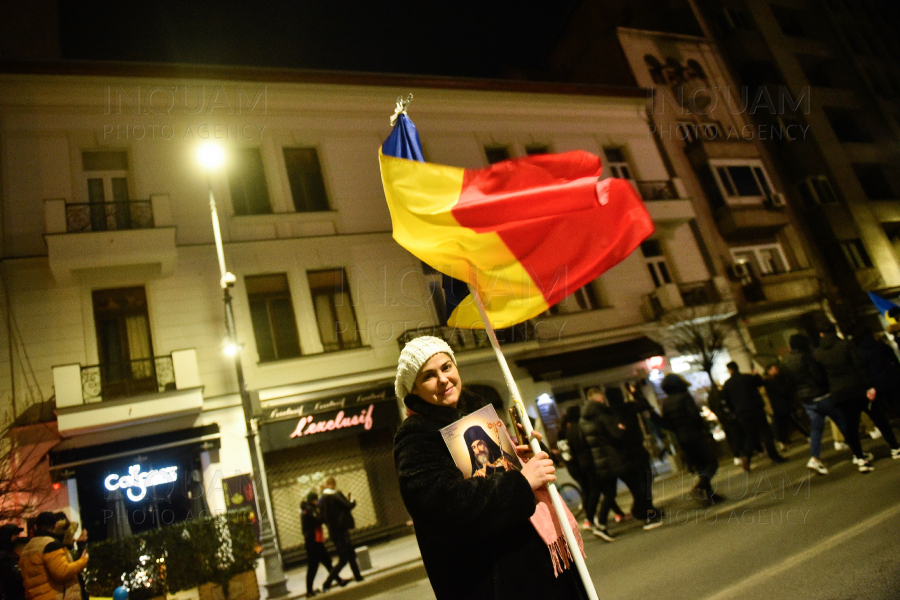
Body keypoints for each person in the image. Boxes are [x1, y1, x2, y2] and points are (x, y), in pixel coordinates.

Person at [393, 336, 584, 600]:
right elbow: (444, 507)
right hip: (493, 581)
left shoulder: (476, 414)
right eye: (428, 376)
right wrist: (522, 483)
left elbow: (496, 472)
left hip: (533, 566)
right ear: (414, 390)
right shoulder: (415, 437)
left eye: (447, 367)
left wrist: (523, 457)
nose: (443, 379)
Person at [580, 387, 663, 540]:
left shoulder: (584, 419)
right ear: (598, 398)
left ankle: (601, 524)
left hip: (601, 462)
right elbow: (616, 435)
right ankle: (648, 517)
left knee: (610, 493)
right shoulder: (603, 415)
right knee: (636, 486)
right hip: (616, 459)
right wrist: (621, 429)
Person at [815, 323, 900, 469]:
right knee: (879, 418)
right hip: (858, 388)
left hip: (840, 393)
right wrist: (870, 386)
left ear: (821, 335)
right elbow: (860, 366)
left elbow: (819, 376)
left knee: (850, 426)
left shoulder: (818, 353)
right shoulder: (846, 345)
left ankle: (860, 458)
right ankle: (895, 448)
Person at [781, 333, 856, 475]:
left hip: (806, 400)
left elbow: (789, 383)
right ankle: (857, 452)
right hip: (821, 395)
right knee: (842, 421)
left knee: (816, 429)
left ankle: (815, 459)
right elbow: (818, 376)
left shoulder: (786, 362)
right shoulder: (807, 357)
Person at [659, 374, 722, 504]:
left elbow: (667, 423)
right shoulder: (684, 397)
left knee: (700, 466)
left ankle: (710, 495)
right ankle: (699, 487)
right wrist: (702, 428)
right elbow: (694, 416)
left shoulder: (665, 403)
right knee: (712, 463)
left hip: (682, 438)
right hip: (694, 434)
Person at [720, 361, 786, 470]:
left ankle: (747, 456)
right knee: (766, 433)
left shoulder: (727, 384)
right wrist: (755, 374)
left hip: (742, 413)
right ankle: (775, 457)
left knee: (750, 436)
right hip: (756, 409)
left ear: (730, 370)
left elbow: (726, 401)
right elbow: (760, 382)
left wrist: (735, 411)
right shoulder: (747, 377)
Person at [19, 512, 88, 600]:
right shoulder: (51, 545)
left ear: (36, 527)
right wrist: (83, 560)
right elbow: (62, 572)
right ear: (56, 525)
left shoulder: (27, 548)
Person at [318, 477, 362, 591]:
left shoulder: (321, 499)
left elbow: (322, 518)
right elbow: (348, 506)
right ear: (332, 484)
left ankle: (358, 576)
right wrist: (352, 500)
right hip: (341, 530)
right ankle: (327, 583)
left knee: (350, 554)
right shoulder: (335, 495)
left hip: (332, 531)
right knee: (344, 558)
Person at [764, 363, 810, 448]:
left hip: (777, 408)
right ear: (769, 370)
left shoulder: (767, 382)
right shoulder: (776, 380)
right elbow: (783, 391)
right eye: (775, 369)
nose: (777, 370)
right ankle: (808, 435)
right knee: (795, 422)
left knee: (781, 426)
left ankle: (781, 442)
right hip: (784, 406)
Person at [300, 492, 332, 598]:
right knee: (313, 566)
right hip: (314, 542)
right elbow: (317, 521)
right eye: (316, 499)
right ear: (313, 500)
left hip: (316, 541)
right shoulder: (310, 510)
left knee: (327, 562)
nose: (317, 501)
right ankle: (309, 591)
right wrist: (323, 514)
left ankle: (338, 580)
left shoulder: (307, 509)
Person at [0, 524, 26, 600]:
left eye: (18, 534)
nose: (18, 536)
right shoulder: (4, 557)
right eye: (15, 534)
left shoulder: (13, 553)